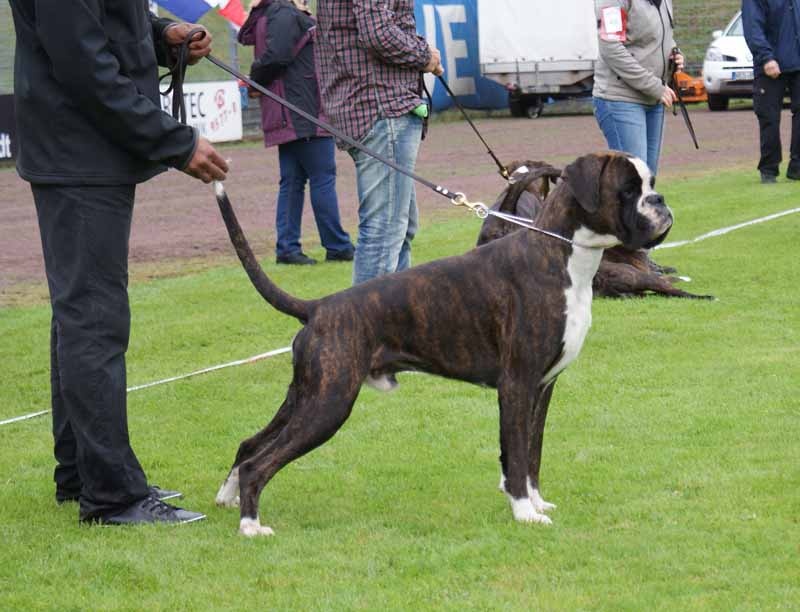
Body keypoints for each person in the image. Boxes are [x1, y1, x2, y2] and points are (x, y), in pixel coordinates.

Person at [9, 1, 229, 526]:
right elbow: (85, 67)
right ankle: (112, 496)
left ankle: (83, 474)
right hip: (77, 154)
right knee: (94, 321)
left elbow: (108, 24)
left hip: (85, 153)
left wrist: (162, 36)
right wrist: (174, 142)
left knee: (80, 318)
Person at [314, 0, 443, 284]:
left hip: (374, 105)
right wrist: (425, 56)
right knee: (385, 232)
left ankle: (395, 323)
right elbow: (378, 33)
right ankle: (364, 328)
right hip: (381, 107)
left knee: (400, 230)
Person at [239, 0, 355, 265]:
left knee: (292, 181)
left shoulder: (274, 12)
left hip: (288, 109)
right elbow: (278, 54)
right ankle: (337, 246)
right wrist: (255, 78)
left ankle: (288, 248)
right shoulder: (283, 12)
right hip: (302, 108)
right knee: (322, 175)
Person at [592, 0, 684, 175]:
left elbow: (661, 36)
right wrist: (654, 86)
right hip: (621, 98)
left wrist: (674, 52)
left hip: (654, 97)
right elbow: (611, 49)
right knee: (633, 181)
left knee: (646, 181)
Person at [742, 0, 800, 183]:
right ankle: (769, 169)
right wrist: (766, 57)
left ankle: (797, 167)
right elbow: (753, 27)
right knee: (769, 118)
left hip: (797, 62)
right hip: (770, 65)